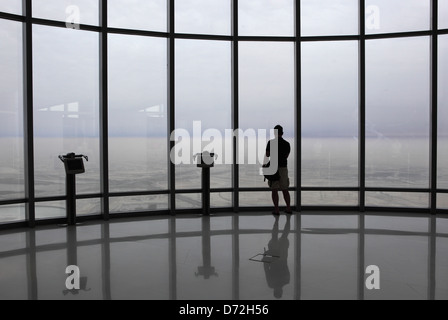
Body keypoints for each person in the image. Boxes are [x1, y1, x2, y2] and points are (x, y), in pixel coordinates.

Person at [262, 215, 291, 299]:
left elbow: (267, 269)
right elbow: (267, 269)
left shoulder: (286, 280)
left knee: (282, 236)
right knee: (279, 236)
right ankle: (279, 220)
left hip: (280, 256)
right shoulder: (272, 283)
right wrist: (266, 258)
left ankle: (283, 220)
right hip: (278, 256)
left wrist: (266, 257)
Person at [265, 125, 292, 215]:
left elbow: (268, 154)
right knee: (285, 189)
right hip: (283, 168)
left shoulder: (270, 143)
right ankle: (288, 208)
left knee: (274, 190)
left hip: (273, 168)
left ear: (274, 133)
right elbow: (286, 156)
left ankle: (276, 210)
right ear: (282, 133)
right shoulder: (287, 144)